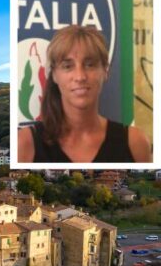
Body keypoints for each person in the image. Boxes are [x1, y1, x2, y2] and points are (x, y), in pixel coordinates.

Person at [18, 25, 152, 163]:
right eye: (68, 66)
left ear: (105, 71)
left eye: (90, 65)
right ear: (54, 75)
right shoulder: (25, 143)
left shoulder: (135, 142)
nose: (80, 76)